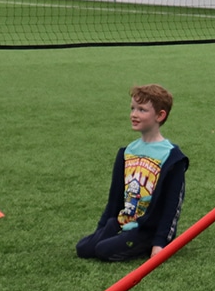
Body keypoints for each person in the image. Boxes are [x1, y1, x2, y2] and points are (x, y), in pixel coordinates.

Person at [77, 84, 190, 262]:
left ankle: (142, 243)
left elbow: (172, 205)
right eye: (133, 108)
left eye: (142, 110)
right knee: (83, 248)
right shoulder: (126, 152)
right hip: (123, 223)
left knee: (103, 250)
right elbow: (114, 199)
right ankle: (113, 232)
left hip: (146, 230)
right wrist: (101, 230)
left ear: (160, 115)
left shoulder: (172, 157)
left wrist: (160, 243)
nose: (134, 114)